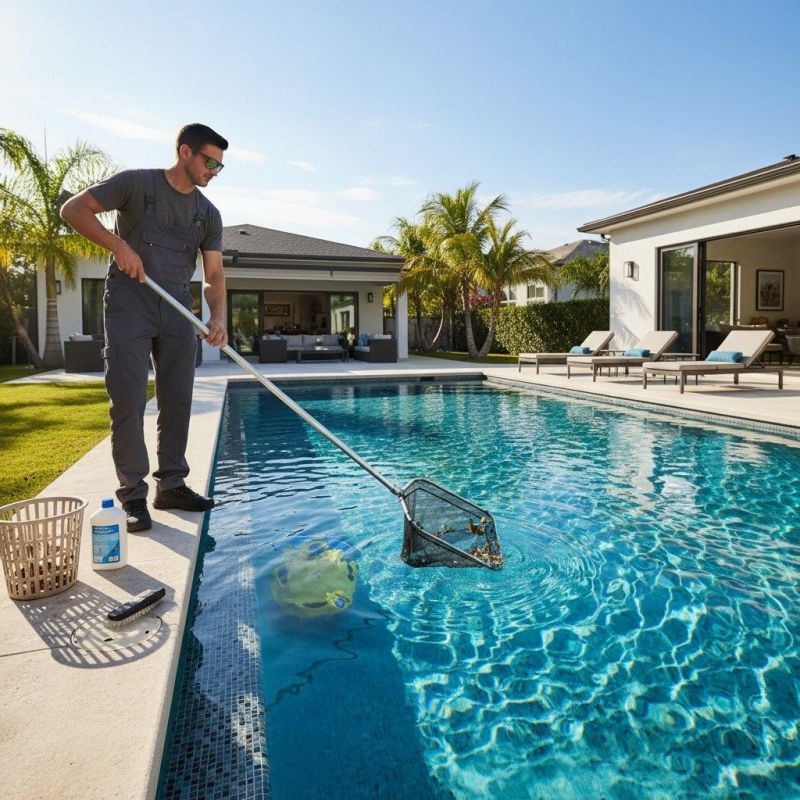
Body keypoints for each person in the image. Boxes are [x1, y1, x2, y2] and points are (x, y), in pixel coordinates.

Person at [61, 123, 229, 533]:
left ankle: (171, 485)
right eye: (210, 162)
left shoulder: (208, 214)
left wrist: (218, 316)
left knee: (177, 399)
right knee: (129, 400)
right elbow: (73, 210)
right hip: (128, 304)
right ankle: (133, 496)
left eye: (220, 167)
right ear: (185, 152)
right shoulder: (135, 185)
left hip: (176, 308)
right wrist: (119, 246)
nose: (213, 171)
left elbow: (214, 275)